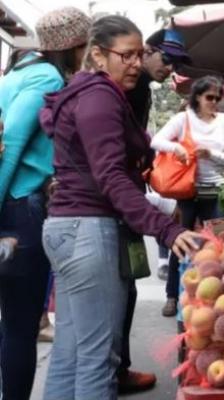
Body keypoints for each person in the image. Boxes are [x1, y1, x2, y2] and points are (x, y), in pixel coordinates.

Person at [39, 15, 202, 399]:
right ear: (97, 54)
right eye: (125, 55)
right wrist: (166, 228)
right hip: (88, 231)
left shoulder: (83, 93)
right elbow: (110, 177)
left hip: (67, 228)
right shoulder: (99, 97)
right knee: (98, 360)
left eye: (138, 54)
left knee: (70, 352)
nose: (134, 63)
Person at [0, 7, 90, 399]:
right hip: (18, 209)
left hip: (14, 203)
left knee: (13, 324)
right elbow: (12, 144)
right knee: (20, 325)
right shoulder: (46, 76)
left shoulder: (18, 72)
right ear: (74, 45)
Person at [118, 28, 191, 393]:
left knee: (126, 286)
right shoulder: (122, 89)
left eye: (176, 63)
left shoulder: (141, 90)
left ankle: (117, 369)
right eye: (166, 59)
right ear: (144, 51)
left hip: (126, 196)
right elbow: (111, 163)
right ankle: (112, 372)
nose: (171, 68)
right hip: (113, 204)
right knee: (118, 291)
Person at [151, 75, 224, 317]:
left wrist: (210, 154)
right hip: (187, 192)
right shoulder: (183, 119)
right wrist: (177, 148)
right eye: (209, 97)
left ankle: (213, 299)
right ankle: (171, 297)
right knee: (181, 244)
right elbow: (156, 141)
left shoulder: (223, 124)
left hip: (216, 191)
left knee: (218, 246)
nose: (214, 102)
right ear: (197, 96)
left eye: (217, 98)